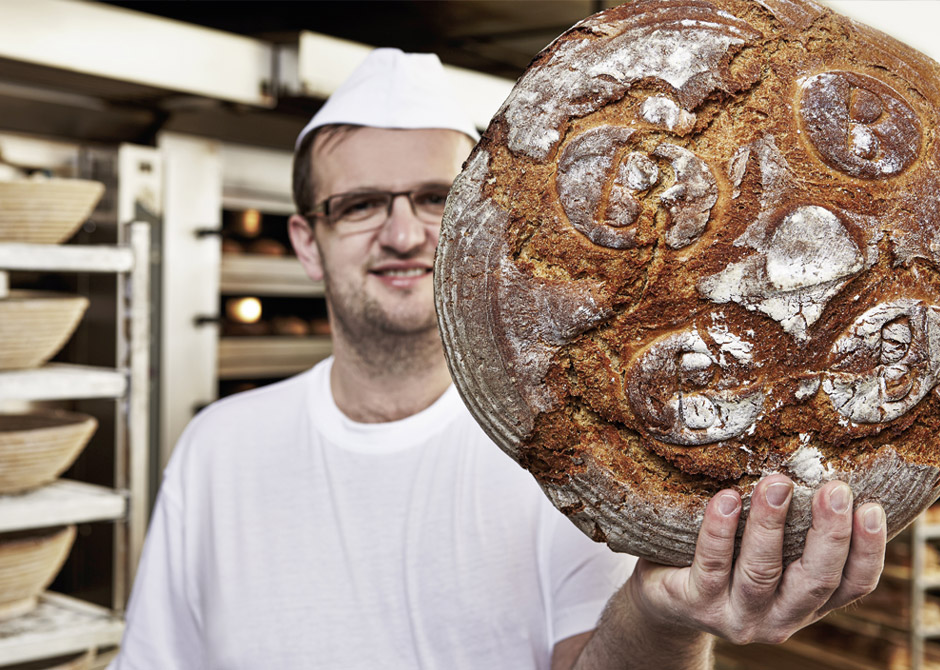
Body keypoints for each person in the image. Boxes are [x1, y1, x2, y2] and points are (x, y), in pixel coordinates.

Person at [110, 48, 886, 669]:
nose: (404, 234)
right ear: (307, 244)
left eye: (435, 197)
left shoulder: (574, 455)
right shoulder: (221, 445)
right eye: (359, 205)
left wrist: (661, 618)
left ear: (483, 223)